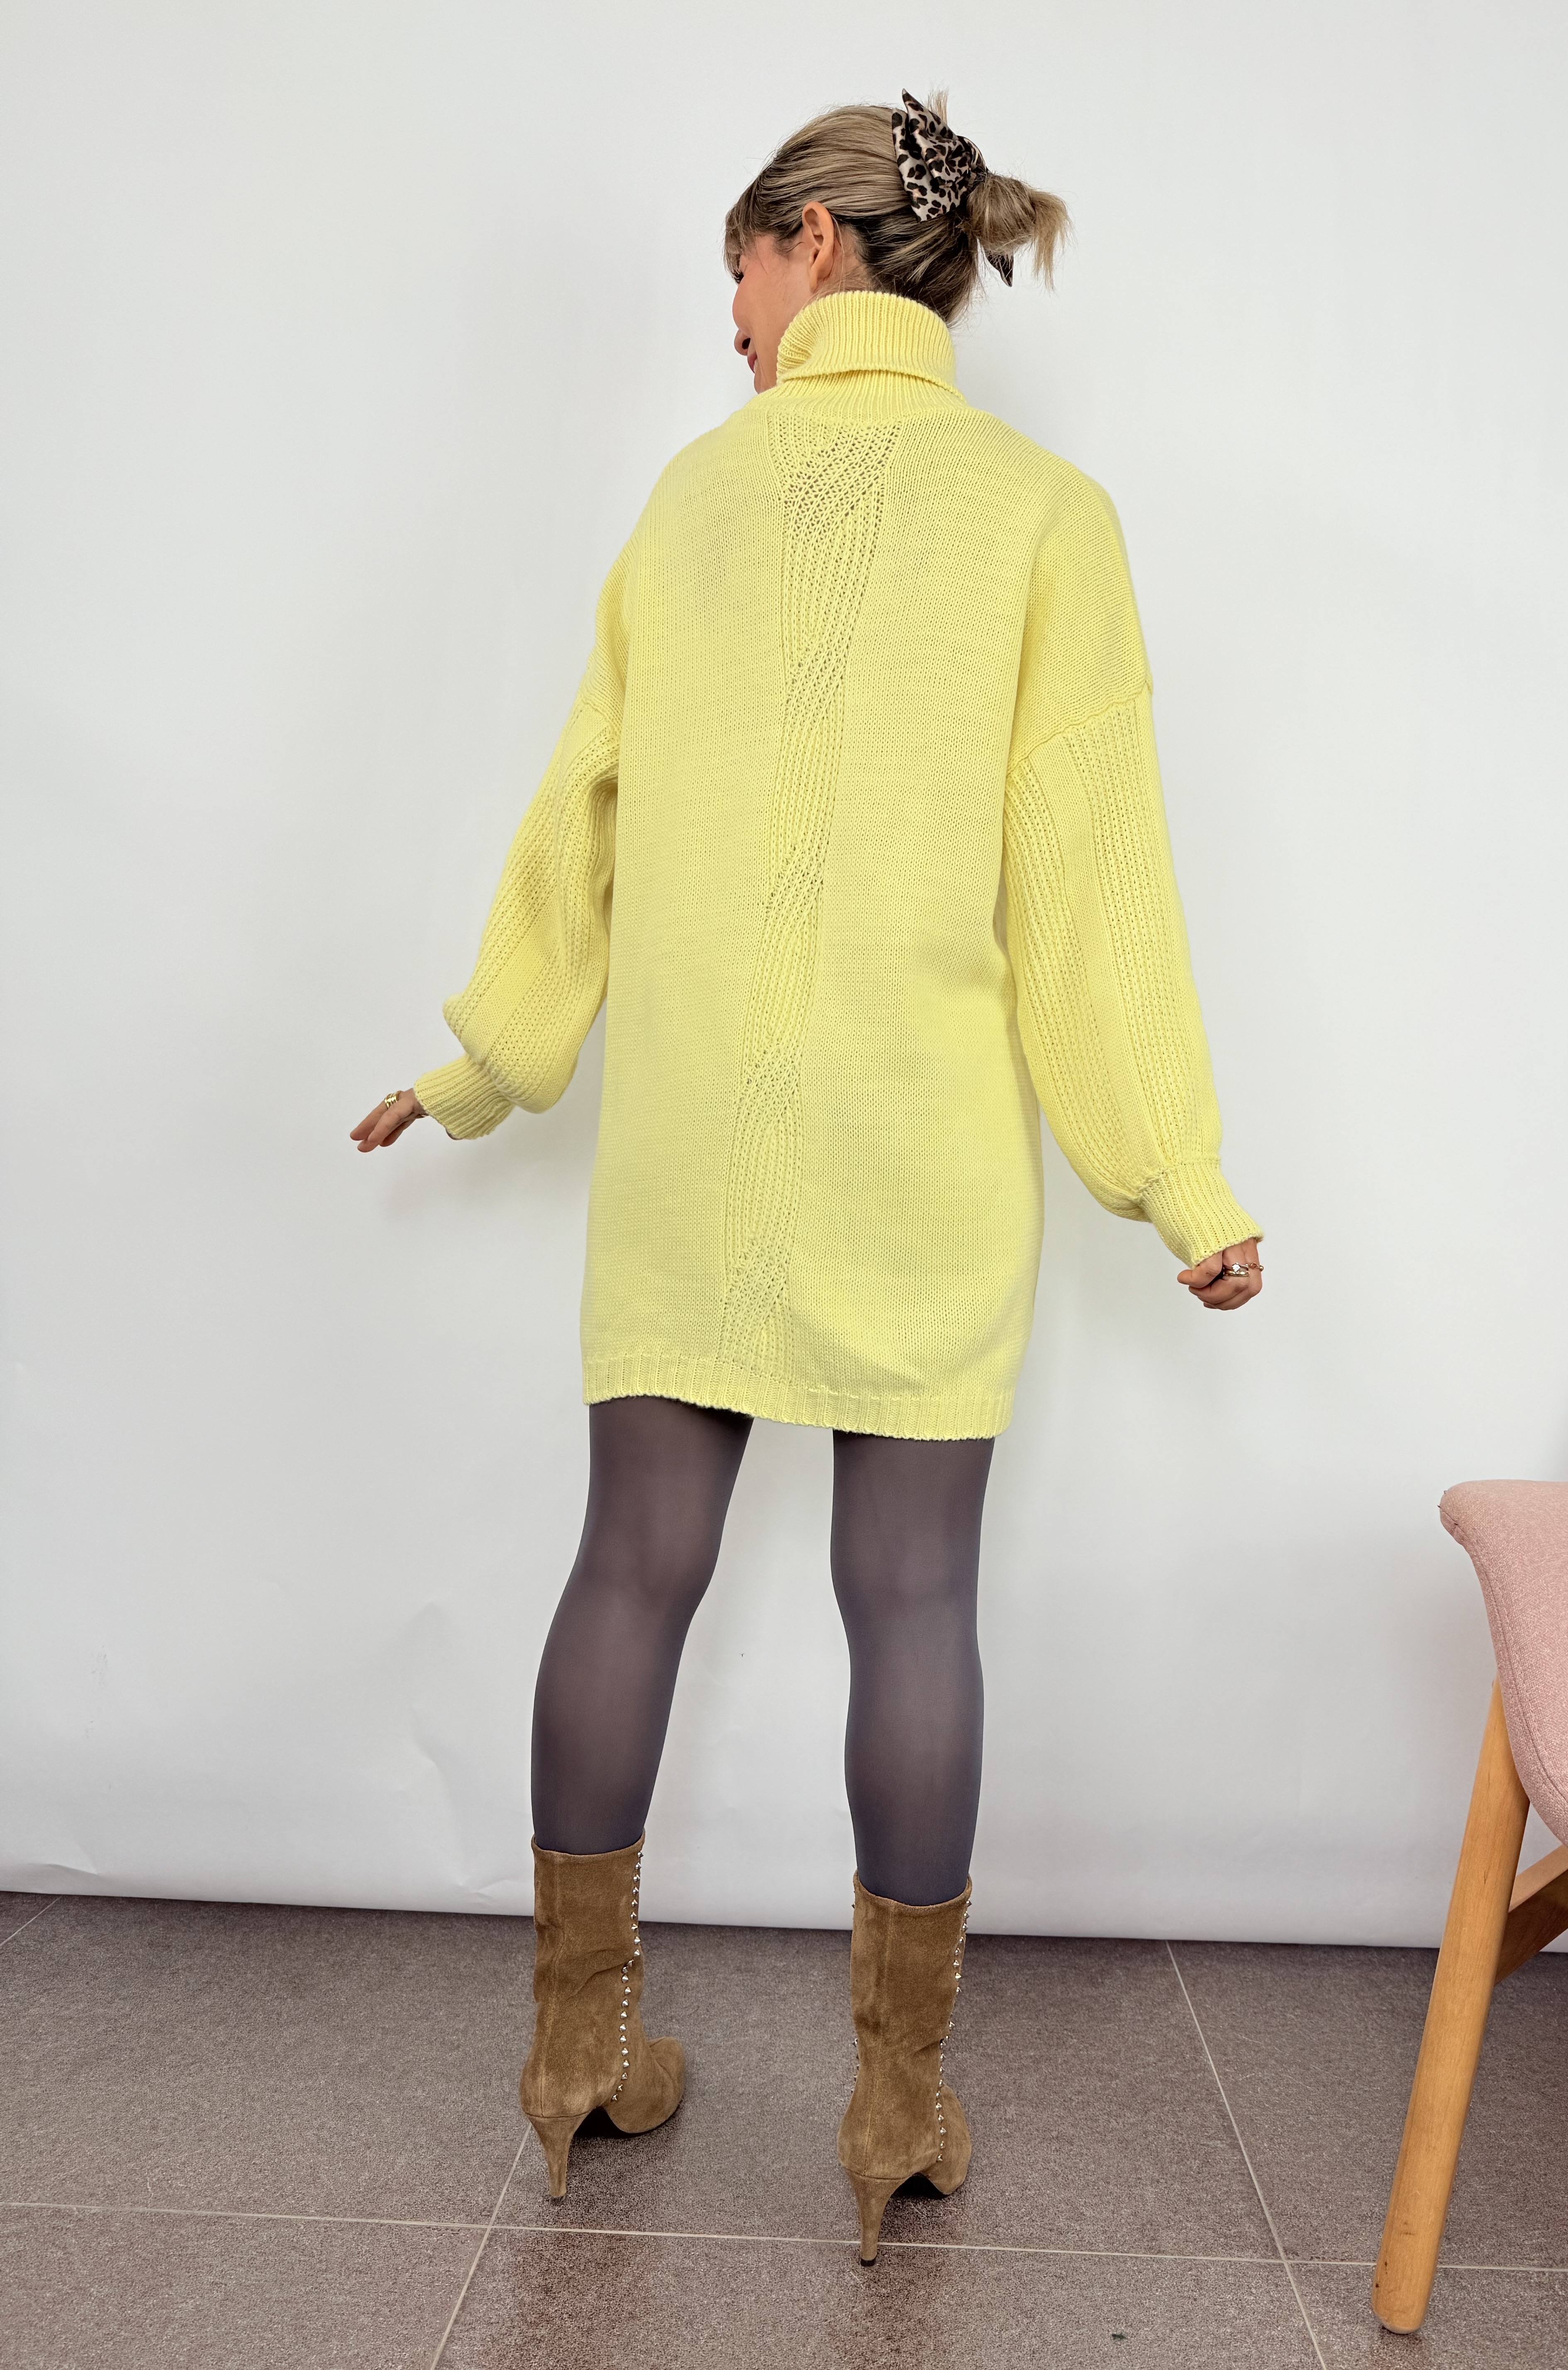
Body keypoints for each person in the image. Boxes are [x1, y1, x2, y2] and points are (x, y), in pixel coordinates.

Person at [352, 91, 1262, 2264]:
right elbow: (1092, 888)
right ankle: (895, 2108)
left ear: (817, 247)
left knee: (630, 1567)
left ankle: (575, 2056)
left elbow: (579, 811)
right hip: (916, 1151)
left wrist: (487, 1062)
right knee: (915, 1601)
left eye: (742, 273)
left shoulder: (692, 499)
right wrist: (1180, 1182)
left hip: (692, 1143)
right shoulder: (1046, 516)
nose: (734, 320)